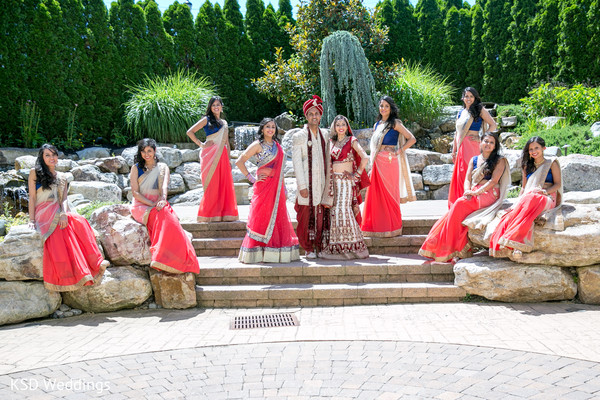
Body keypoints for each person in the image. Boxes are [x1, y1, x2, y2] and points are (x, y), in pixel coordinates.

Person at [419, 132, 510, 262]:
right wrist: (468, 190)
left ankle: (449, 248)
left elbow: (494, 181)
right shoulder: (474, 159)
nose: (488, 144)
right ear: (481, 142)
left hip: (489, 193)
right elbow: (467, 179)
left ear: (495, 146)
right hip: (473, 192)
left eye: (491, 142)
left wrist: (476, 193)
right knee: (454, 213)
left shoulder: (499, 160)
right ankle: (456, 247)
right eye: (486, 141)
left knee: (458, 205)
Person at [27, 144, 107, 291]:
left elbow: (64, 200)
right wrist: (31, 220)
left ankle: (97, 263)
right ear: (42, 158)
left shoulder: (62, 177)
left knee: (79, 221)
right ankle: (72, 273)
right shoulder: (35, 173)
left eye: (54, 155)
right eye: (47, 155)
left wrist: (63, 213)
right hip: (43, 211)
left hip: (57, 209)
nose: (52, 158)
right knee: (60, 227)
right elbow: (32, 198)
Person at [130, 139, 200, 274]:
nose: (146, 154)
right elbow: (135, 193)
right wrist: (151, 204)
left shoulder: (162, 167)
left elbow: (164, 187)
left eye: (149, 151)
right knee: (160, 216)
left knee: (170, 218)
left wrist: (162, 200)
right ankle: (162, 257)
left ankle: (179, 260)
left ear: (155, 151)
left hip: (159, 202)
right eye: (143, 151)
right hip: (142, 205)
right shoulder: (136, 168)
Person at [235, 118, 300, 263]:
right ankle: (256, 253)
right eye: (267, 127)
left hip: (276, 188)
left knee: (278, 217)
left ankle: (276, 253)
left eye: (273, 127)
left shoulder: (278, 146)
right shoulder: (257, 145)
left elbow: (281, 170)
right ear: (262, 129)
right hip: (263, 188)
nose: (270, 129)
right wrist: (252, 179)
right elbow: (239, 161)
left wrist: (283, 187)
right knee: (261, 217)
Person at [489, 136, 563, 259]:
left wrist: (544, 191)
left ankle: (514, 240)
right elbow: (524, 188)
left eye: (537, 148)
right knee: (514, 212)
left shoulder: (551, 163)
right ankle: (512, 242)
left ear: (543, 148)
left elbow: (558, 184)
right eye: (531, 149)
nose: (534, 151)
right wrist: (518, 202)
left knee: (532, 198)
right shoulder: (526, 166)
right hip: (530, 196)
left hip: (547, 196)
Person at [361, 95, 416, 237]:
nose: (383, 108)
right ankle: (376, 227)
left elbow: (412, 138)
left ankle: (392, 227)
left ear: (391, 108)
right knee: (376, 195)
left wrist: (399, 151)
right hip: (377, 163)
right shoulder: (377, 124)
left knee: (389, 194)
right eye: (381, 106)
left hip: (390, 162)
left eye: (386, 106)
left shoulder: (395, 123)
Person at [320, 115, 370, 260]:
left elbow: (364, 157)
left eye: (343, 124)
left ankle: (353, 248)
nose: (341, 127)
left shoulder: (351, 140)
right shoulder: (331, 142)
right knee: (335, 212)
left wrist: (357, 175)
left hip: (346, 182)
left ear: (347, 126)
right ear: (334, 127)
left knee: (344, 211)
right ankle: (337, 248)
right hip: (333, 183)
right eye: (338, 125)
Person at [292, 95, 333, 258]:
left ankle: (320, 246)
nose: (314, 116)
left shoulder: (325, 134)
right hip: (307, 186)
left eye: (317, 113)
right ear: (306, 116)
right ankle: (308, 248)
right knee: (305, 216)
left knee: (321, 216)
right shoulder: (299, 136)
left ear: (321, 116)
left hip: (322, 183)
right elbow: (296, 163)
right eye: (311, 114)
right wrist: (302, 186)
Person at [186, 96, 239, 222]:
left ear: (221, 106)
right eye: (213, 105)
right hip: (209, 155)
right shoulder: (206, 120)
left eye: (218, 105)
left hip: (223, 156)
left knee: (223, 184)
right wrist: (201, 144)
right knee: (211, 184)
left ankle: (224, 214)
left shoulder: (224, 123)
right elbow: (190, 132)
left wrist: (229, 159)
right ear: (210, 107)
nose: (216, 107)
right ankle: (209, 214)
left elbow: (226, 142)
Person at [448, 87, 498, 207]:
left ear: (475, 98)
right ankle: (460, 202)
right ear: (463, 98)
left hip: (472, 145)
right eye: (466, 96)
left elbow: (493, 125)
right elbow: (457, 133)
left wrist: (482, 139)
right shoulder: (461, 112)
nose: (469, 99)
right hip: (461, 146)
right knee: (460, 174)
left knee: (471, 172)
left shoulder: (479, 109)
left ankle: (472, 201)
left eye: (471, 96)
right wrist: (454, 150)